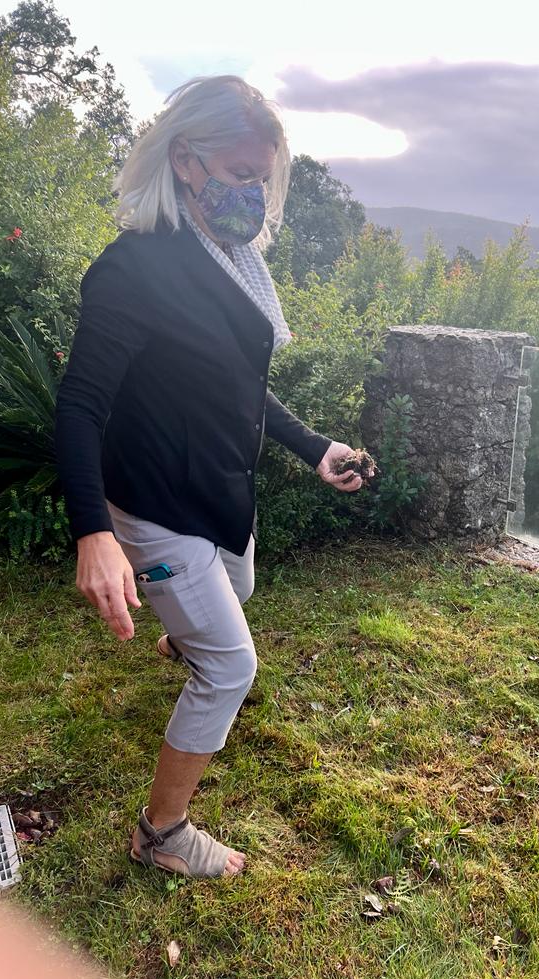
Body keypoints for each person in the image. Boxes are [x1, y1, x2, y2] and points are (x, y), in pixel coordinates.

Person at [54, 75, 368, 880]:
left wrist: (315, 447)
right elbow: (81, 406)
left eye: (262, 178)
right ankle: (161, 834)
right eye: (239, 175)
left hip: (220, 489)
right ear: (186, 161)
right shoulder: (132, 270)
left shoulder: (229, 263)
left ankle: (183, 639)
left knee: (240, 590)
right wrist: (94, 533)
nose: (254, 196)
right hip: (156, 503)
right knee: (231, 665)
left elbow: (239, 384)